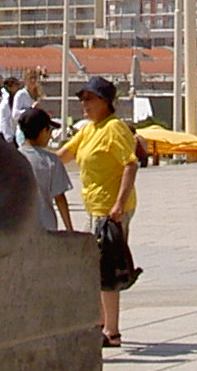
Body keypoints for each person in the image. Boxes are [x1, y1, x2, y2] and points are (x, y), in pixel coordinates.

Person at [59, 77, 139, 347]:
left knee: (107, 269)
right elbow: (64, 155)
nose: (84, 104)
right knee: (94, 268)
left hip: (112, 210)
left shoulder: (114, 128)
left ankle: (111, 331)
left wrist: (119, 204)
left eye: (89, 99)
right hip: (94, 208)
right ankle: (100, 322)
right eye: (82, 99)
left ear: (105, 102)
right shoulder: (90, 129)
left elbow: (130, 164)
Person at [17, 107, 74, 231]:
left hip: (18, 226)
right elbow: (59, 198)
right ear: (44, 131)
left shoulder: (13, 159)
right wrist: (69, 229)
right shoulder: (51, 161)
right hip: (45, 225)